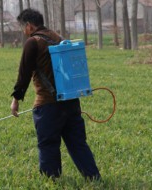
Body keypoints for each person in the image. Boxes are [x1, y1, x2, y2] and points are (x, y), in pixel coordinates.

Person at [10, 8, 101, 180]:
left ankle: (51, 181)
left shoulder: (33, 42)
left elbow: (24, 75)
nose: (24, 32)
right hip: (71, 101)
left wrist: (16, 100)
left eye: (23, 27)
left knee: (48, 145)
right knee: (78, 144)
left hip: (48, 105)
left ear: (29, 26)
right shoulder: (58, 37)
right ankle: (93, 177)